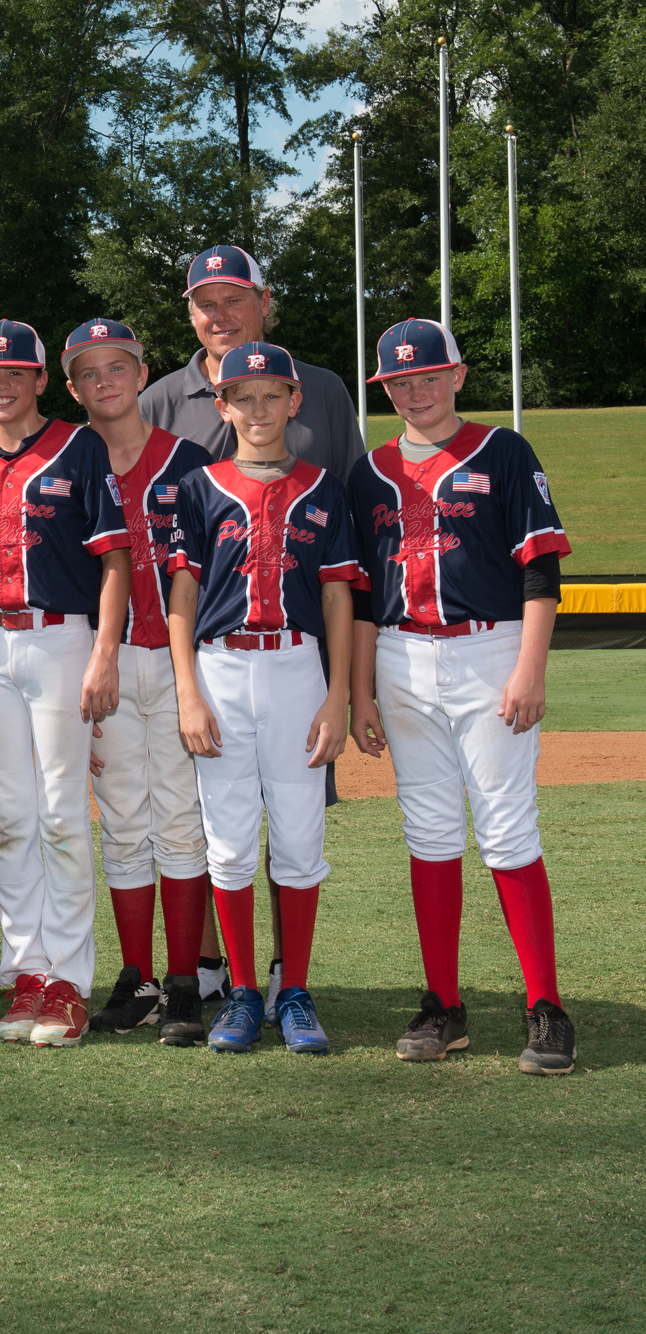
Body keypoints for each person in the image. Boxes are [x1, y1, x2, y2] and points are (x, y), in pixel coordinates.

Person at [345, 318, 577, 1074]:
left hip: (491, 649)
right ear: (385, 390)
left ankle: (546, 1007)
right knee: (432, 834)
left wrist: (531, 668)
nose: (415, 391)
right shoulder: (370, 471)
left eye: (427, 376)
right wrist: (361, 694)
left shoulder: (503, 450)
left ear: (458, 375)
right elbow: (359, 599)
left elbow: (541, 569)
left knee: (509, 831)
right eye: (398, 383)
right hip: (403, 657)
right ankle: (443, 1005)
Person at [139, 245, 368, 1006]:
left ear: (264, 302)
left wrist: (346, 686)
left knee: (295, 824)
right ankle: (214, 971)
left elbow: (351, 525)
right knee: (213, 823)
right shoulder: (162, 398)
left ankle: (283, 978)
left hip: (298, 652)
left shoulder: (325, 392)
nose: (219, 314)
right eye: (205, 301)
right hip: (206, 652)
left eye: (234, 298)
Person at [0, 319, 131, 1048]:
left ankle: (69, 981)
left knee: (62, 815)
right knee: (12, 818)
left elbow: (115, 559)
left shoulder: (79, 447)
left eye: (13, 374)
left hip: (62, 636)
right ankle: (26, 972)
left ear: (38, 381)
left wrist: (103, 653)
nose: (0, 386)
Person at [58, 319, 217, 1047]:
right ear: (72, 387)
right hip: (103, 660)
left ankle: (185, 979)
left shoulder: (186, 459)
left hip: (177, 659)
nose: (104, 383)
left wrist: (193, 680)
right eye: (88, 373)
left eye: (116, 367)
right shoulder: (63, 459)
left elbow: (200, 573)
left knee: (181, 819)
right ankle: (138, 978)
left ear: (142, 371)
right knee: (122, 818)